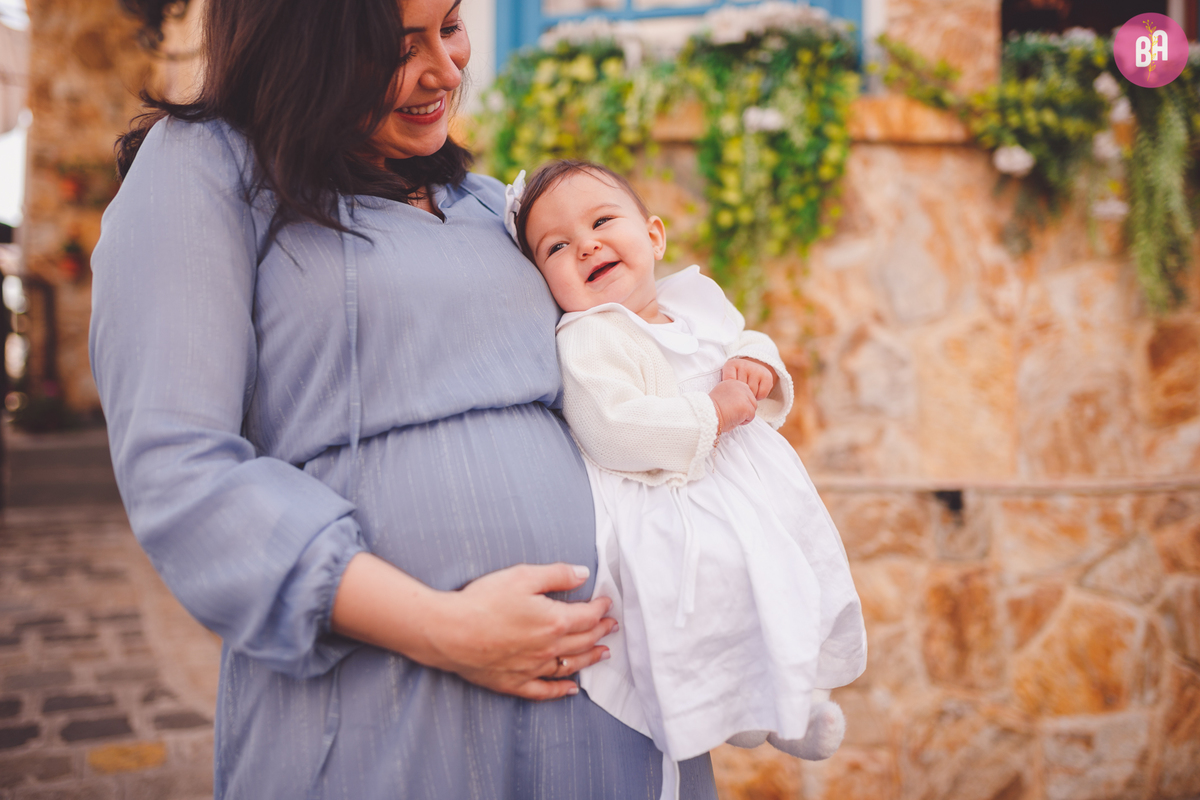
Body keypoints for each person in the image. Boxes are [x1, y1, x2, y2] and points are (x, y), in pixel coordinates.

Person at [87, 1, 718, 797]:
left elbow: (624, 354)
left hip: (605, 689)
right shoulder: (202, 169)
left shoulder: (495, 205)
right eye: (396, 46)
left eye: (449, 27)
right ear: (298, 45)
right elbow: (180, 471)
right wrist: (445, 628)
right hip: (391, 691)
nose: (446, 70)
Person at [508, 160, 868, 799]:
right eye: (556, 247)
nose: (585, 244)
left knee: (787, 573)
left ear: (654, 237)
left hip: (749, 493)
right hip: (669, 497)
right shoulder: (589, 338)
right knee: (708, 599)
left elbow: (746, 339)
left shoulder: (694, 303)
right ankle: (729, 704)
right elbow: (615, 429)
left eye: (601, 221)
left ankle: (797, 698)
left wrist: (756, 361)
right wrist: (715, 410)